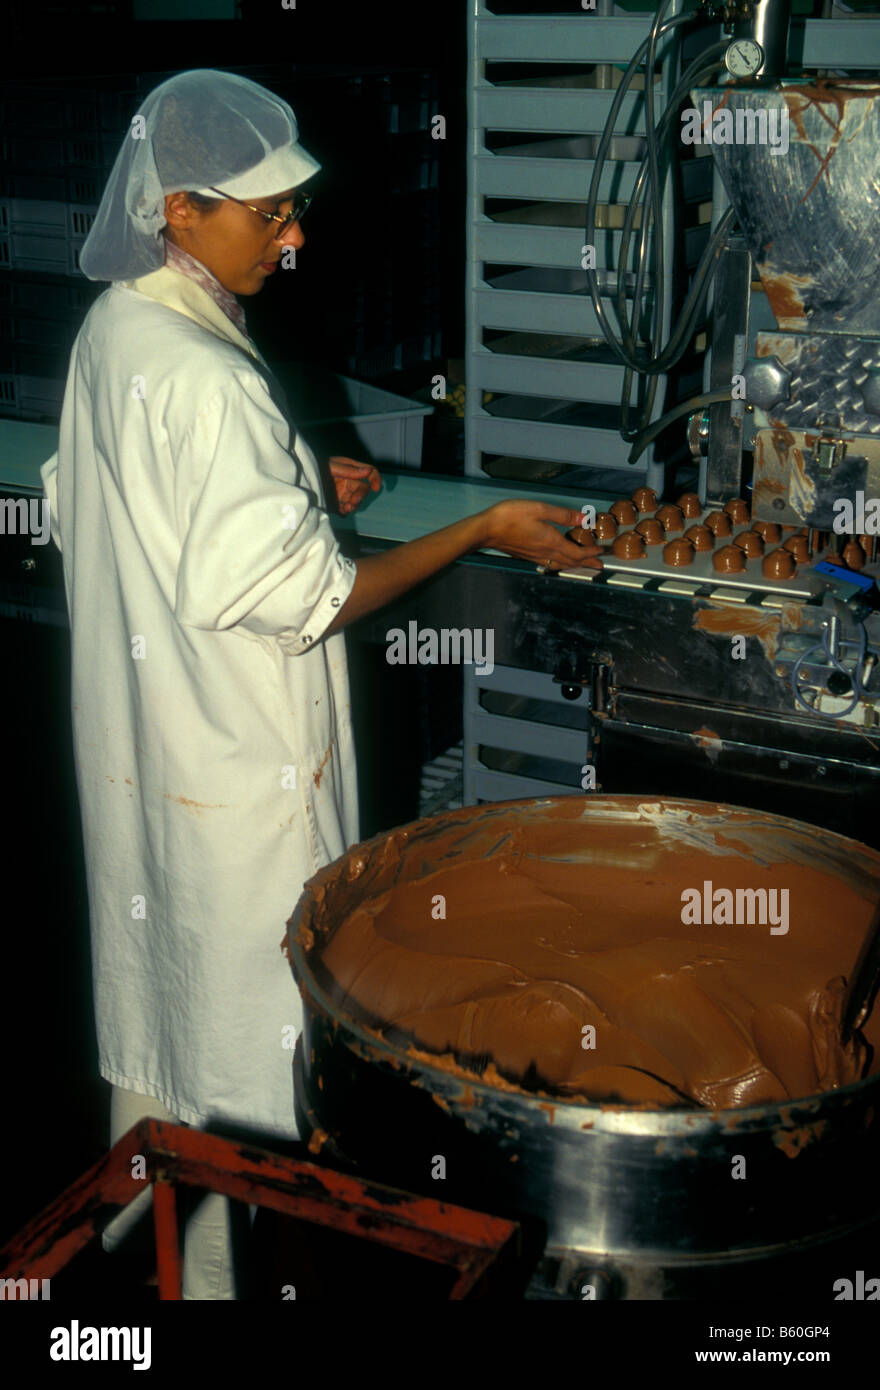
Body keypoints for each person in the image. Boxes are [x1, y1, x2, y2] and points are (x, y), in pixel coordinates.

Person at [40, 68, 601, 1299]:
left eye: (294, 211)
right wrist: (483, 530)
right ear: (179, 209)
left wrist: (299, 473)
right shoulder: (208, 375)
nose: (293, 238)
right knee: (252, 1095)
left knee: (160, 1059)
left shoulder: (120, 328)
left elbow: (105, 501)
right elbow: (313, 598)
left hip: (148, 777)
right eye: (267, 214)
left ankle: (158, 1284)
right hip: (237, 792)